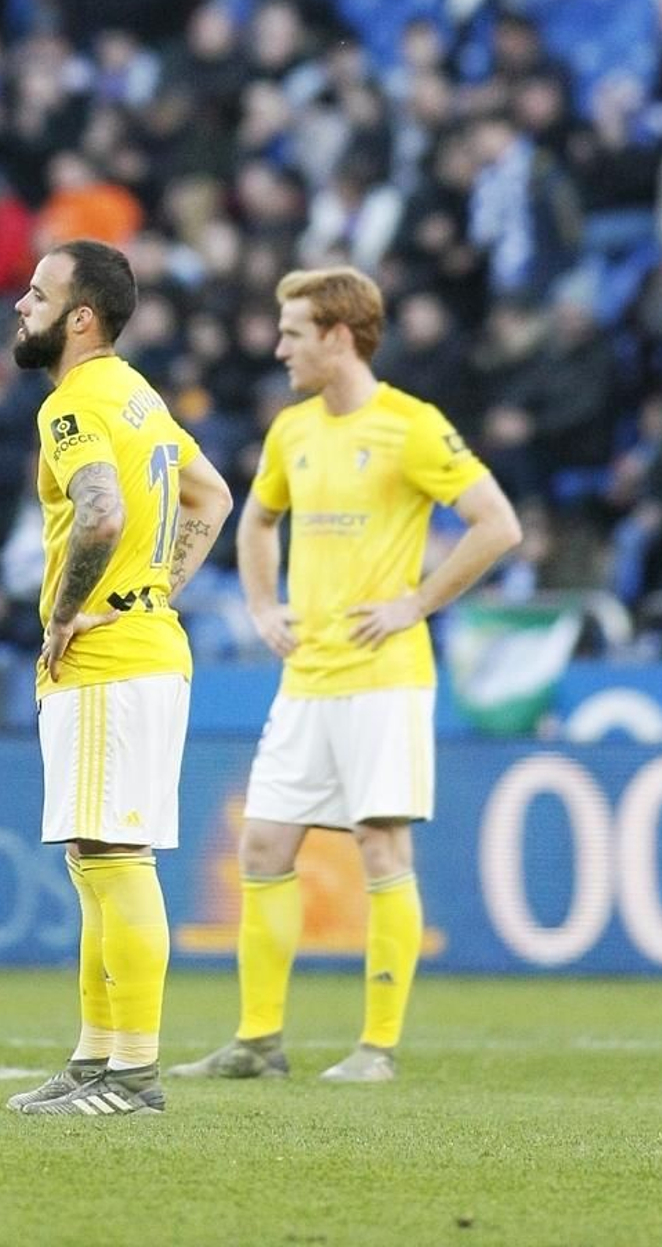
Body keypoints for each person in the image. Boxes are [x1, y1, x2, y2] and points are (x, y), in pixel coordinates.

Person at [173, 265, 518, 1086]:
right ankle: (258, 1041)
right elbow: (257, 519)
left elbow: (496, 524)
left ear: (337, 335)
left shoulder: (411, 425)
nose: (279, 344)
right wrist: (262, 606)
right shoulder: (293, 429)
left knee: (379, 841)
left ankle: (376, 1047)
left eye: (292, 330)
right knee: (263, 843)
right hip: (308, 676)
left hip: (384, 673)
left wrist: (418, 602)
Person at [6, 239, 231, 1117]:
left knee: (116, 854)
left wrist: (68, 610)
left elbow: (99, 510)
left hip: (107, 659)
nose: (21, 306)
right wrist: (155, 589)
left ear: (80, 316)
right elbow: (209, 495)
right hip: (140, 645)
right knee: (94, 855)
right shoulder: (139, 395)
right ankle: (97, 1056)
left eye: (37, 294)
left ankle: (133, 1075)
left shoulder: (72, 405)